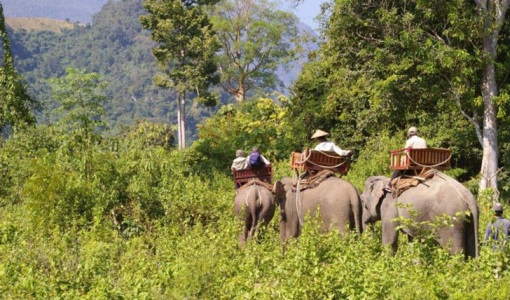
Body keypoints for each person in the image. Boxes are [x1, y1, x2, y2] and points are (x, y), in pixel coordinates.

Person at [384, 126, 427, 192]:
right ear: (416, 133)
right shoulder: (423, 140)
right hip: (423, 163)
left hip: (413, 163)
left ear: (409, 134)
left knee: (398, 168)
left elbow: (405, 153)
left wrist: (401, 162)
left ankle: (390, 186)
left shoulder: (409, 141)